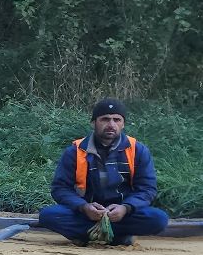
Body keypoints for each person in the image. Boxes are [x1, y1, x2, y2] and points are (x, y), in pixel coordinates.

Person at [37, 99, 170, 245]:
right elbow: (60, 188)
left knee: (158, 219)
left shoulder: (138, 150)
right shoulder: (75, 151)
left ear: (123, 124)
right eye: (105, 119)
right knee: (48, 216)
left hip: (122, 215)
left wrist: (125, 208)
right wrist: (84, 207)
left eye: (117, 120)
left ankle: (88, 235)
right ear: (94, 123)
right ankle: (117, 237)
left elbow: (147, 189)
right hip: (86, 214)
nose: (111, 125)